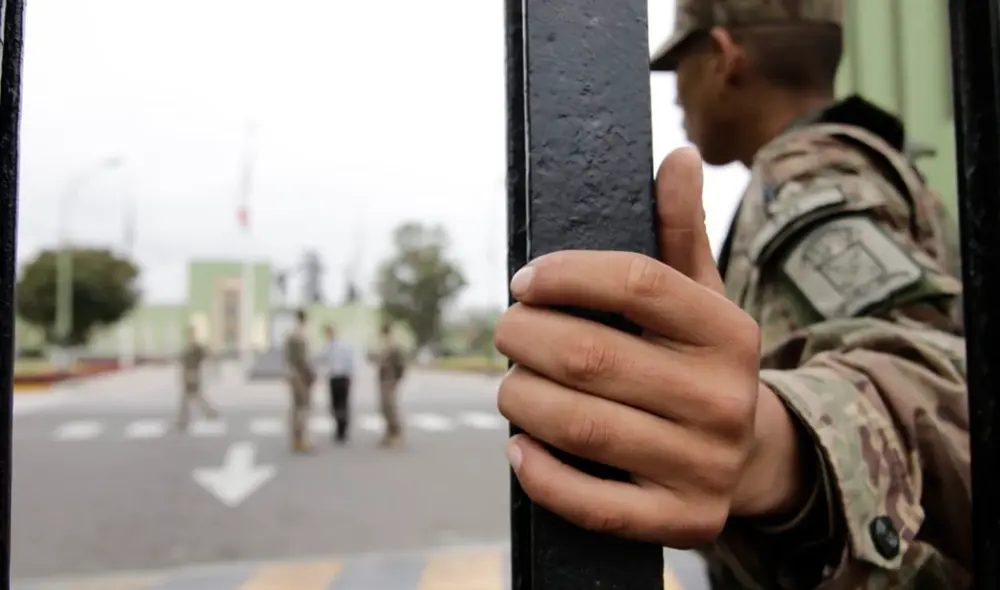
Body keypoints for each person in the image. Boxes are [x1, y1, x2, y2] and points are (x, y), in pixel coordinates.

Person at [493, 1, 970, 589]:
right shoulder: (867, 168)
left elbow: (923, 366)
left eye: (680, 68)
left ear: (724, 58)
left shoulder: (809, 185)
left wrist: (777, 449)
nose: (672, 96)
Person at [284, 308, 316, 454]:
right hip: (301, 376)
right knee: (304, 408)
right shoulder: (301, 336)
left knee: (296, 408)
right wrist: (311, 376)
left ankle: (296, 439)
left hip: (292, 375)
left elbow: (288, 358)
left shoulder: (290, 336)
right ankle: (301, 439)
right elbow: (302, 360)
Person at [176, 324, 219, 431]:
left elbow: (209, 356)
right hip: (187, 376)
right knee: (190, 398)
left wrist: (207, 371)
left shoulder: (197, 348)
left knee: (195, 397)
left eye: (191, 334)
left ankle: (186, 419)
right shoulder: (188, 348)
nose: (190, 336)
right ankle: (185, 418)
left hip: (195, 375)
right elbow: (183, 362)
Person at [320, 323, 355, 444]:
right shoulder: (327, 346)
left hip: (343, 377)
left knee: (343, 404)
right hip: (334, 377)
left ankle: (342, 430)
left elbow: (351, 361)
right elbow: (319, 357)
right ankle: (338, 428)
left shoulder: (343, 346)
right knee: (335, 405)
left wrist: (351, 374)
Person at [373, 323, 406, 448]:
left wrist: (396, 379)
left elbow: (401, 366)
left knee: (390, 407)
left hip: (390, 380)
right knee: (384, 407)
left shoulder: (394, 348)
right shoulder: (384, 348)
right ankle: (388, 433)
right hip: (383, 380)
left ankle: (396, 433)